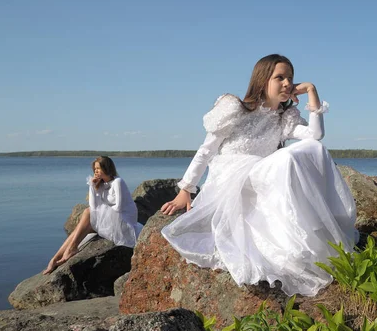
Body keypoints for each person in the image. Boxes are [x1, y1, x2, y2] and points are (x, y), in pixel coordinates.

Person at [161, 54, 357, 296]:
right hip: (233, 176)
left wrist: (312, 90)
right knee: (286, 157)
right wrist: (186, 188)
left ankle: (316, 225)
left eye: (291, 79)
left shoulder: (284, 118)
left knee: (314, 148)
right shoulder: (235, 108)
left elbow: (315, 136)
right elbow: (207, 150)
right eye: (280, 77)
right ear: (263, 79)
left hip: (262, 176)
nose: (287, 83)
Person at [43, 156, 142, 274]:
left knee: (87, 213)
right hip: (111, 220)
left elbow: (119, 207)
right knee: (80, 228)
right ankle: (55, 258)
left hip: (124, 222)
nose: (96, 171)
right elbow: (94, 205)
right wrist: (92, 186)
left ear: (107, 168)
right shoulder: (101, 184)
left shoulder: (117, 182)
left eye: (98, 168)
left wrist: (103, 213)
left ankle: (72, 248)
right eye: (94, 169)